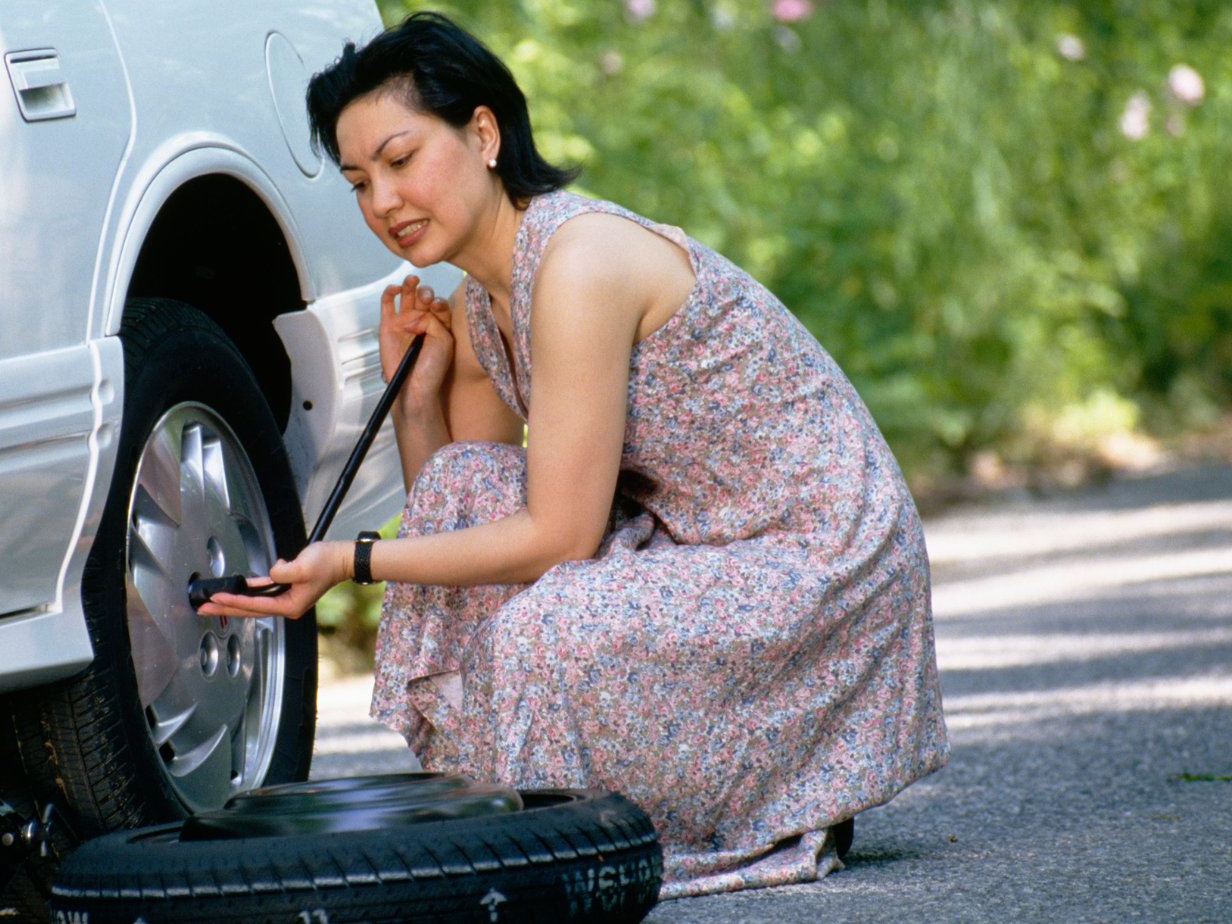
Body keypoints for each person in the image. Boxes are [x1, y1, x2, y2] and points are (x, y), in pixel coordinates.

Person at [200, 11, 948, 898]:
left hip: (816, 559)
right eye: (360, 182)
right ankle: (519, 811)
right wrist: (419, 392)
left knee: (548, 633)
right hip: (697, 547)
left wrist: (350, 560)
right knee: (480, 524)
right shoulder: (481, 308)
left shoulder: (582, 261)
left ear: (483, 133)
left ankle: (738, 803)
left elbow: (555, 536)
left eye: (401, 161)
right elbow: (466, 529)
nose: (383, 203)